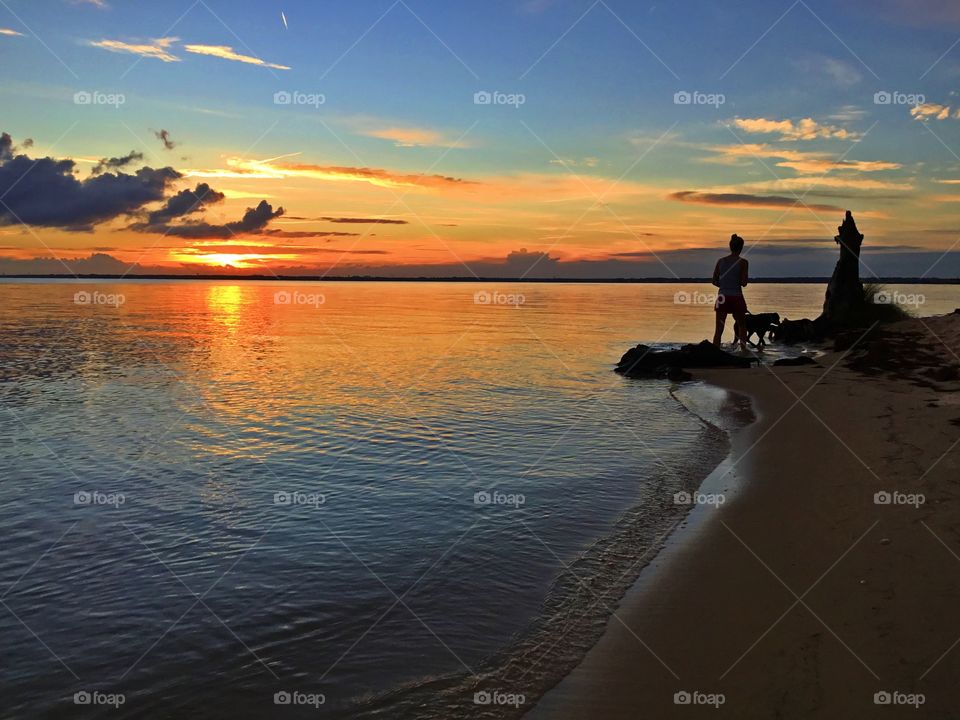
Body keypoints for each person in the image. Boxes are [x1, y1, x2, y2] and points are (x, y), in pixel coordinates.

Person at [712, 234, 749, 351]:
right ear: (741, 247)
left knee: (719, 329)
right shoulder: (743, 262)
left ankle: (715, 351)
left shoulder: (720, 261)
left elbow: (714, 281)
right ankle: (743, 350)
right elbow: (744, 283)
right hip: (736, 297)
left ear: (730, 247)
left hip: (722, 296)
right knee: (742, 325)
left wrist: (724, 286)